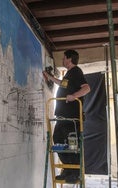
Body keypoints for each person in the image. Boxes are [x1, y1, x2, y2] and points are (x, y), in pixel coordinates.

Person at [43, 49, 90, 183]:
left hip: (72, 117)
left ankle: (75, 172)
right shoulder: (69, 75)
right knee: (57, 138)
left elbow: (87, 88)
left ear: (69, 59)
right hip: (64, 116)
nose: (62, 60)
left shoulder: (76, 71)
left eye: (64, 58)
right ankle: (67, 169)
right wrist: (50, 77)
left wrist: (74, 96)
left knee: (72, 144)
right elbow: (62, 84)